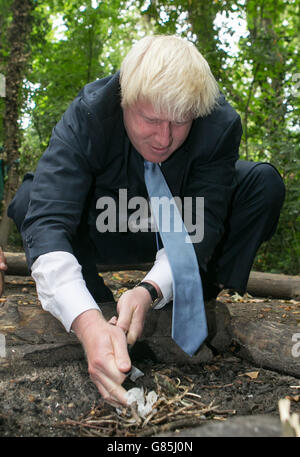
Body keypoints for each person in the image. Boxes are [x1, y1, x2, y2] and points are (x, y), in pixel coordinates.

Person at [1, 35, 285, 406]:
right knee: (31, 200)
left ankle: (191, 297)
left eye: (180, 122)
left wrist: (149, 290)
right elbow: (47, 219)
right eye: (150, 119)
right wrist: (87, 322)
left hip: (176, 224)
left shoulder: (219, 124)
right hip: (107, 222)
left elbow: (204, 221)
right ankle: (97, 307)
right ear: (125, 100)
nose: (164, 139)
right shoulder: (90, 113)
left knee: (262, 182)